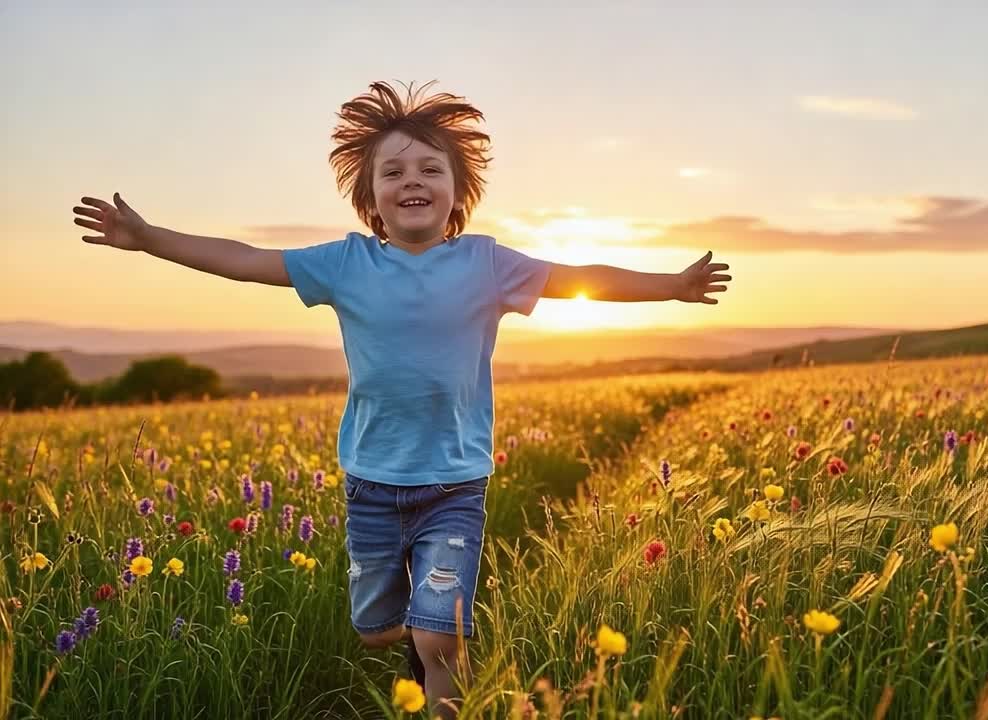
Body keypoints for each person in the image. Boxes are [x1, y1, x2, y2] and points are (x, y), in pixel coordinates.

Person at [72, 80, 732, 718]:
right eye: (392, 173)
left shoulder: (488, 264)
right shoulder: (346, 263)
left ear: (457, 192)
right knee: (377, 633)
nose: (411, 180)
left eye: (428, 169)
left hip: (454, 485)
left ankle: (444, 673)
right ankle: (411, 634)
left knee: (440, 636)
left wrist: (670, 284)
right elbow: (246, 259)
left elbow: (580, 278)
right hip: (372, 485)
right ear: (371, 200)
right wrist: (151, 238)